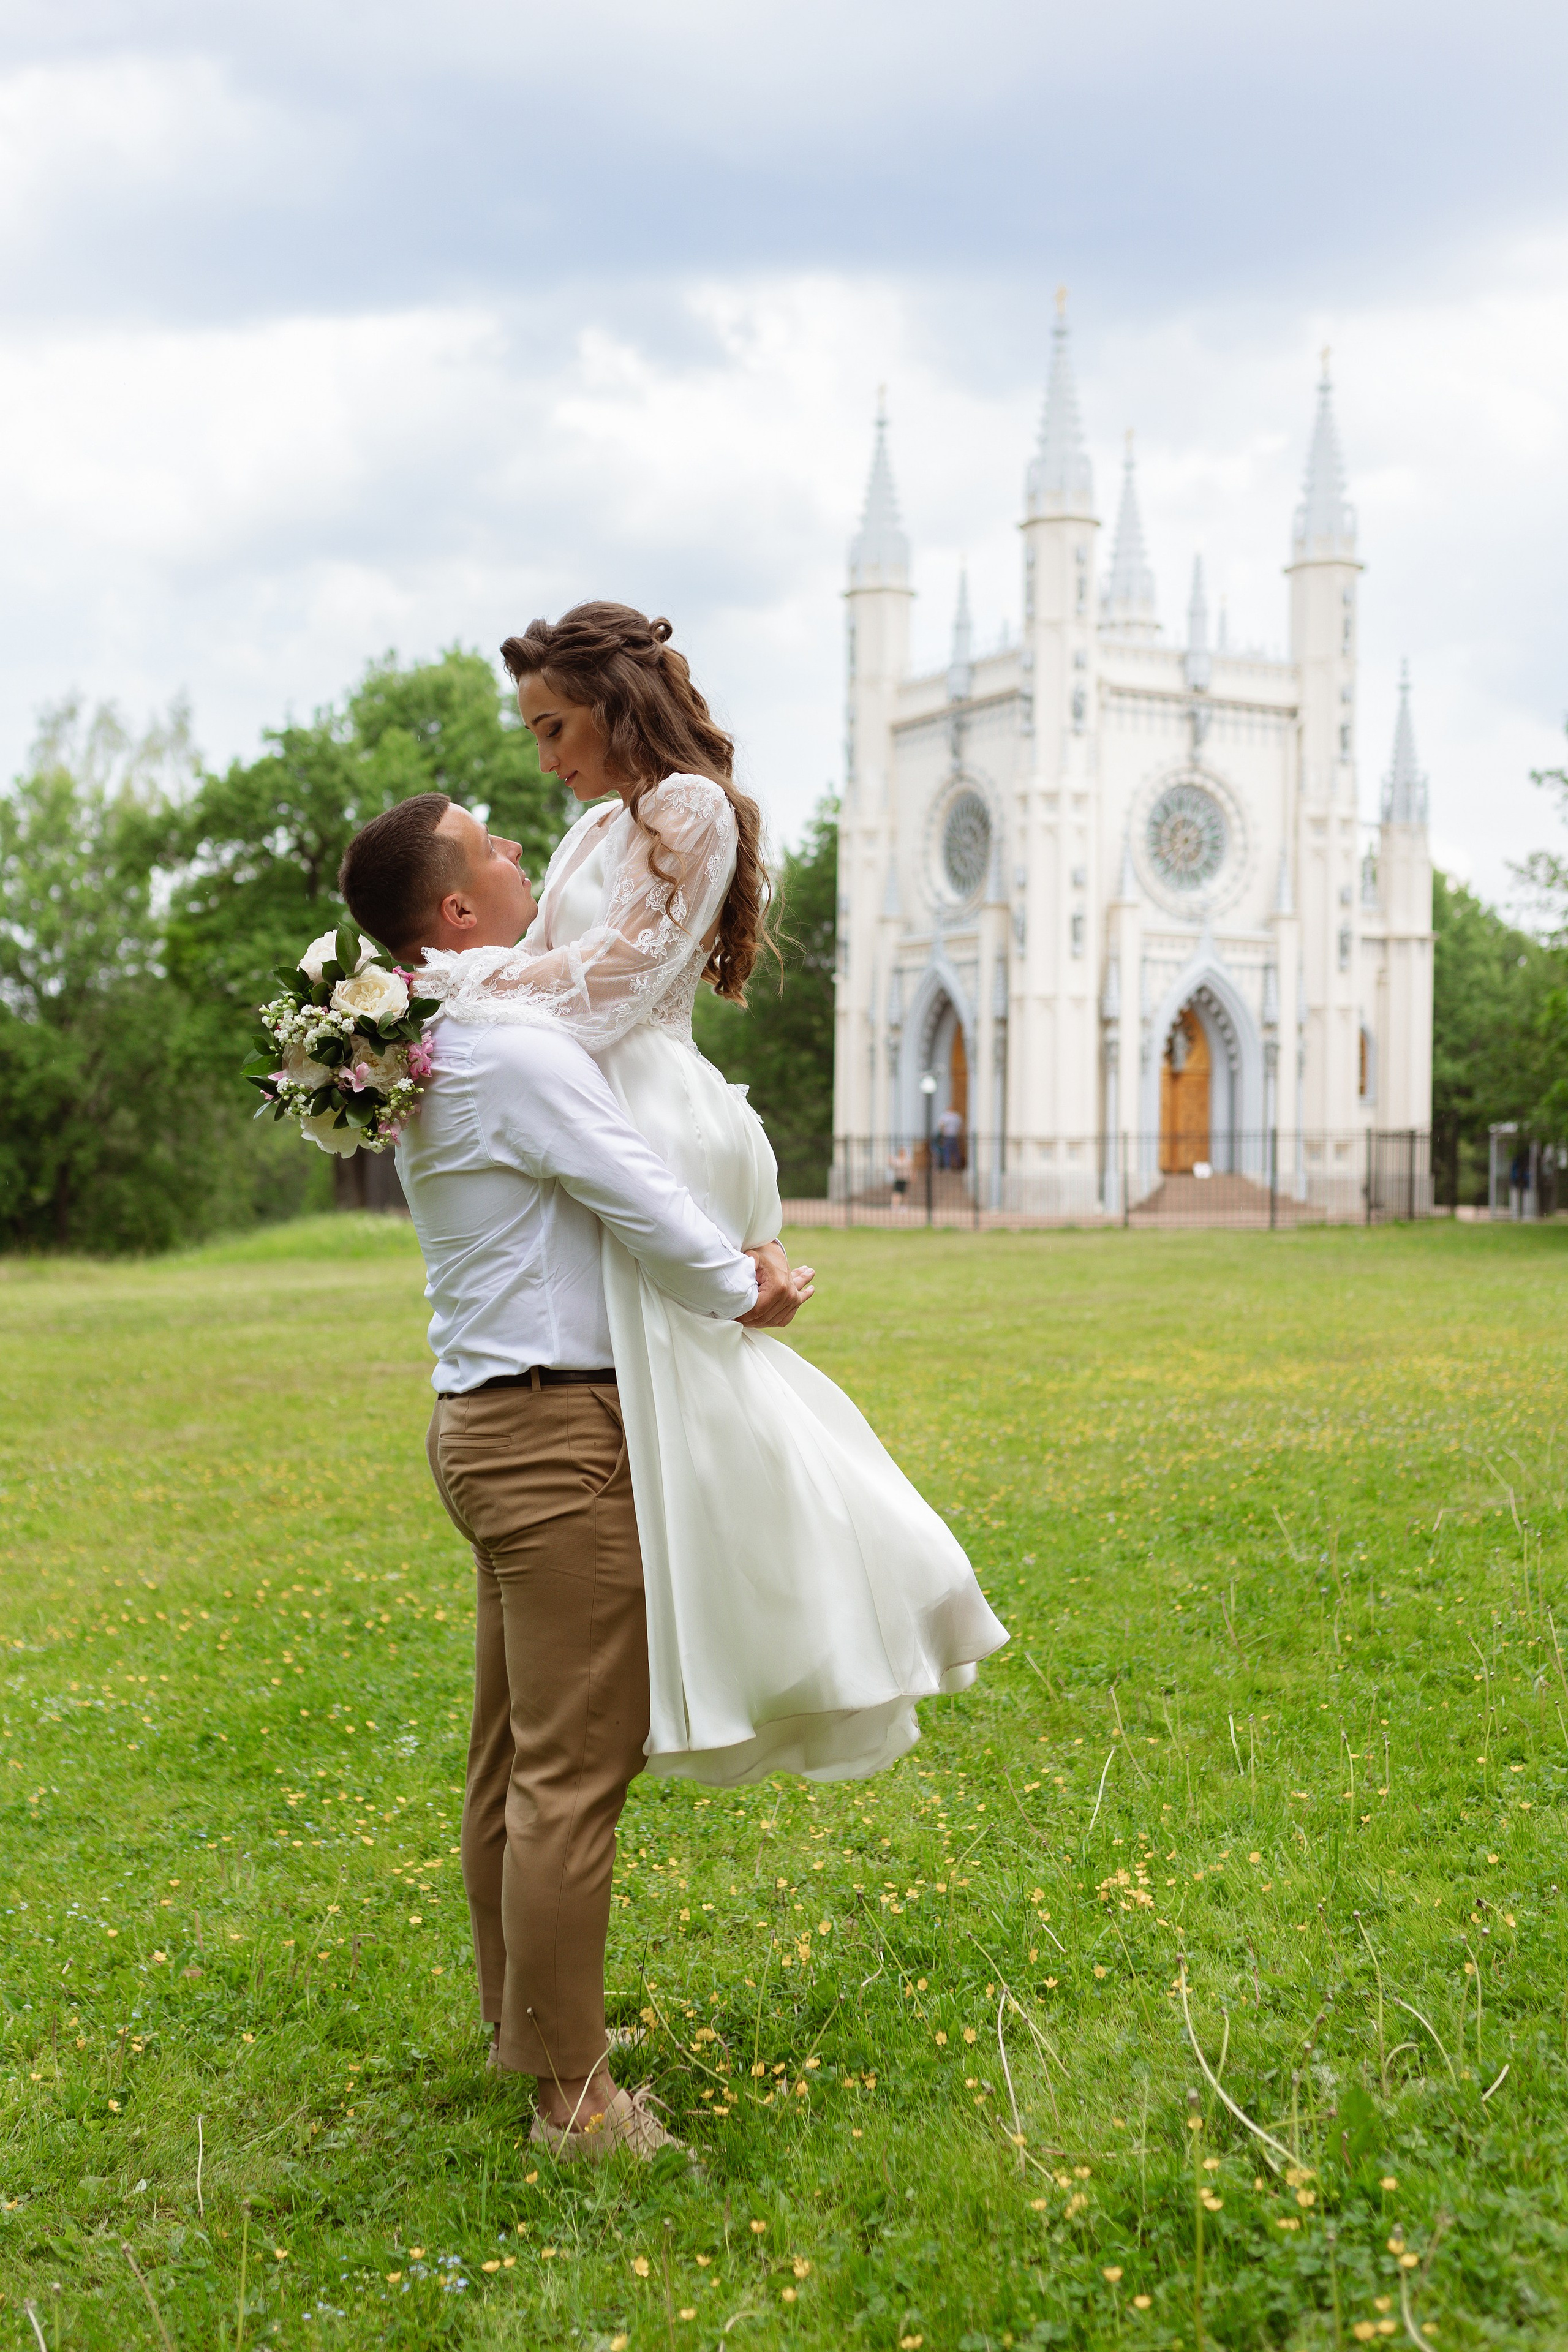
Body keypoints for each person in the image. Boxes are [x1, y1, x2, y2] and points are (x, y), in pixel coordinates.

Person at [406, 601, 1007, 1789]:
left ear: (613, 703)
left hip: (652, 1105)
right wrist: (439, 994)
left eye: (554, 726)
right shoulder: (593, 827)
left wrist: (442, 989)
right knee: (667, 1395)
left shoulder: (688, 808)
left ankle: (841, 1594)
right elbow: (542, 969)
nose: (545, 758)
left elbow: (609, 988)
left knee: (696, 1381)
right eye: (533, 733)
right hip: (593, 1098)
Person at [338, 802, 811, 2162]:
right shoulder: (507, 1048)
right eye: (489, 848)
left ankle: (530, 2026)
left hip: (484, 1427)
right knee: (572, 1774)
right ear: (456, 915)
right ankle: (573, 2100)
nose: (515, 856)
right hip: (554, 1441)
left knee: (510, 1762)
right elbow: (637, 1192)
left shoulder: (437, 1040)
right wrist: (747, 1288)